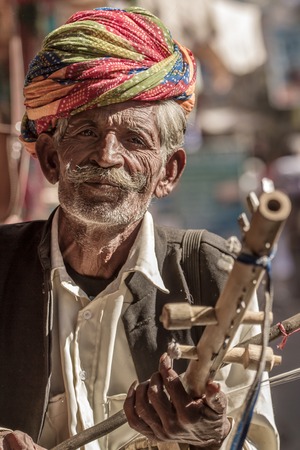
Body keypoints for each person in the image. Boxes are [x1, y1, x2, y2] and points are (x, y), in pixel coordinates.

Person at [0, 6, 279, 450]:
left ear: (168, 172)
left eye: (135, 139)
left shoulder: (215, 276)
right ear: (52, 158)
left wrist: (214, 437)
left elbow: (257, 439)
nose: (107, 156)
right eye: (87, 132)